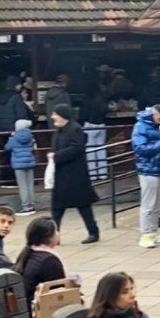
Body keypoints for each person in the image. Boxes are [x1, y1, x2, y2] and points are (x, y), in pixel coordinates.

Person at [49, 104, 100, 244]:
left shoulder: (75, 129)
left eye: (55, 114)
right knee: (57, 208)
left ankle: (93, 232)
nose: (52, 116)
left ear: (62, 115)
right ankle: (54, 236)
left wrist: (56, 156)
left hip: (76, 175)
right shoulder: (58, 130)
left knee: (83, 206)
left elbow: (76, 148)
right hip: (61, 175)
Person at [131, 104, 160, 249]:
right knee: (149, 203)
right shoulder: (140, 126)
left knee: (158, 202)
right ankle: (146, 234)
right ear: (154, 114)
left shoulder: (156, 126)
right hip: (148, 169)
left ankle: (153, 232)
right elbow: (140, 149)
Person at [12, 216, 67, 305]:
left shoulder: (29, 253)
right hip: (37, 312)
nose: (58, 233)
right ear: (49, 236)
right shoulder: (49, 261)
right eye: (56, 230)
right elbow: (60, 295)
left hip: (25, 307)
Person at [4, 119, 37, 215]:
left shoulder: (13, 138)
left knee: (22, 185)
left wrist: (11, 137)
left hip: (18, 164)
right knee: (30, 184)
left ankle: (26, 206)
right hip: (29, 162)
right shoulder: (31, 137)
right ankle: (32, 204)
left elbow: (7, 148)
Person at [79, 82, 109, 181]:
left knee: (90, 151)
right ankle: (103, 173)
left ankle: (92, 174)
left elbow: (82, 114)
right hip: (101, 125)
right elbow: (106, 111)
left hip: (89, 125)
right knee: (101, 150)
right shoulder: (102, 98)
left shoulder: (86, 99)